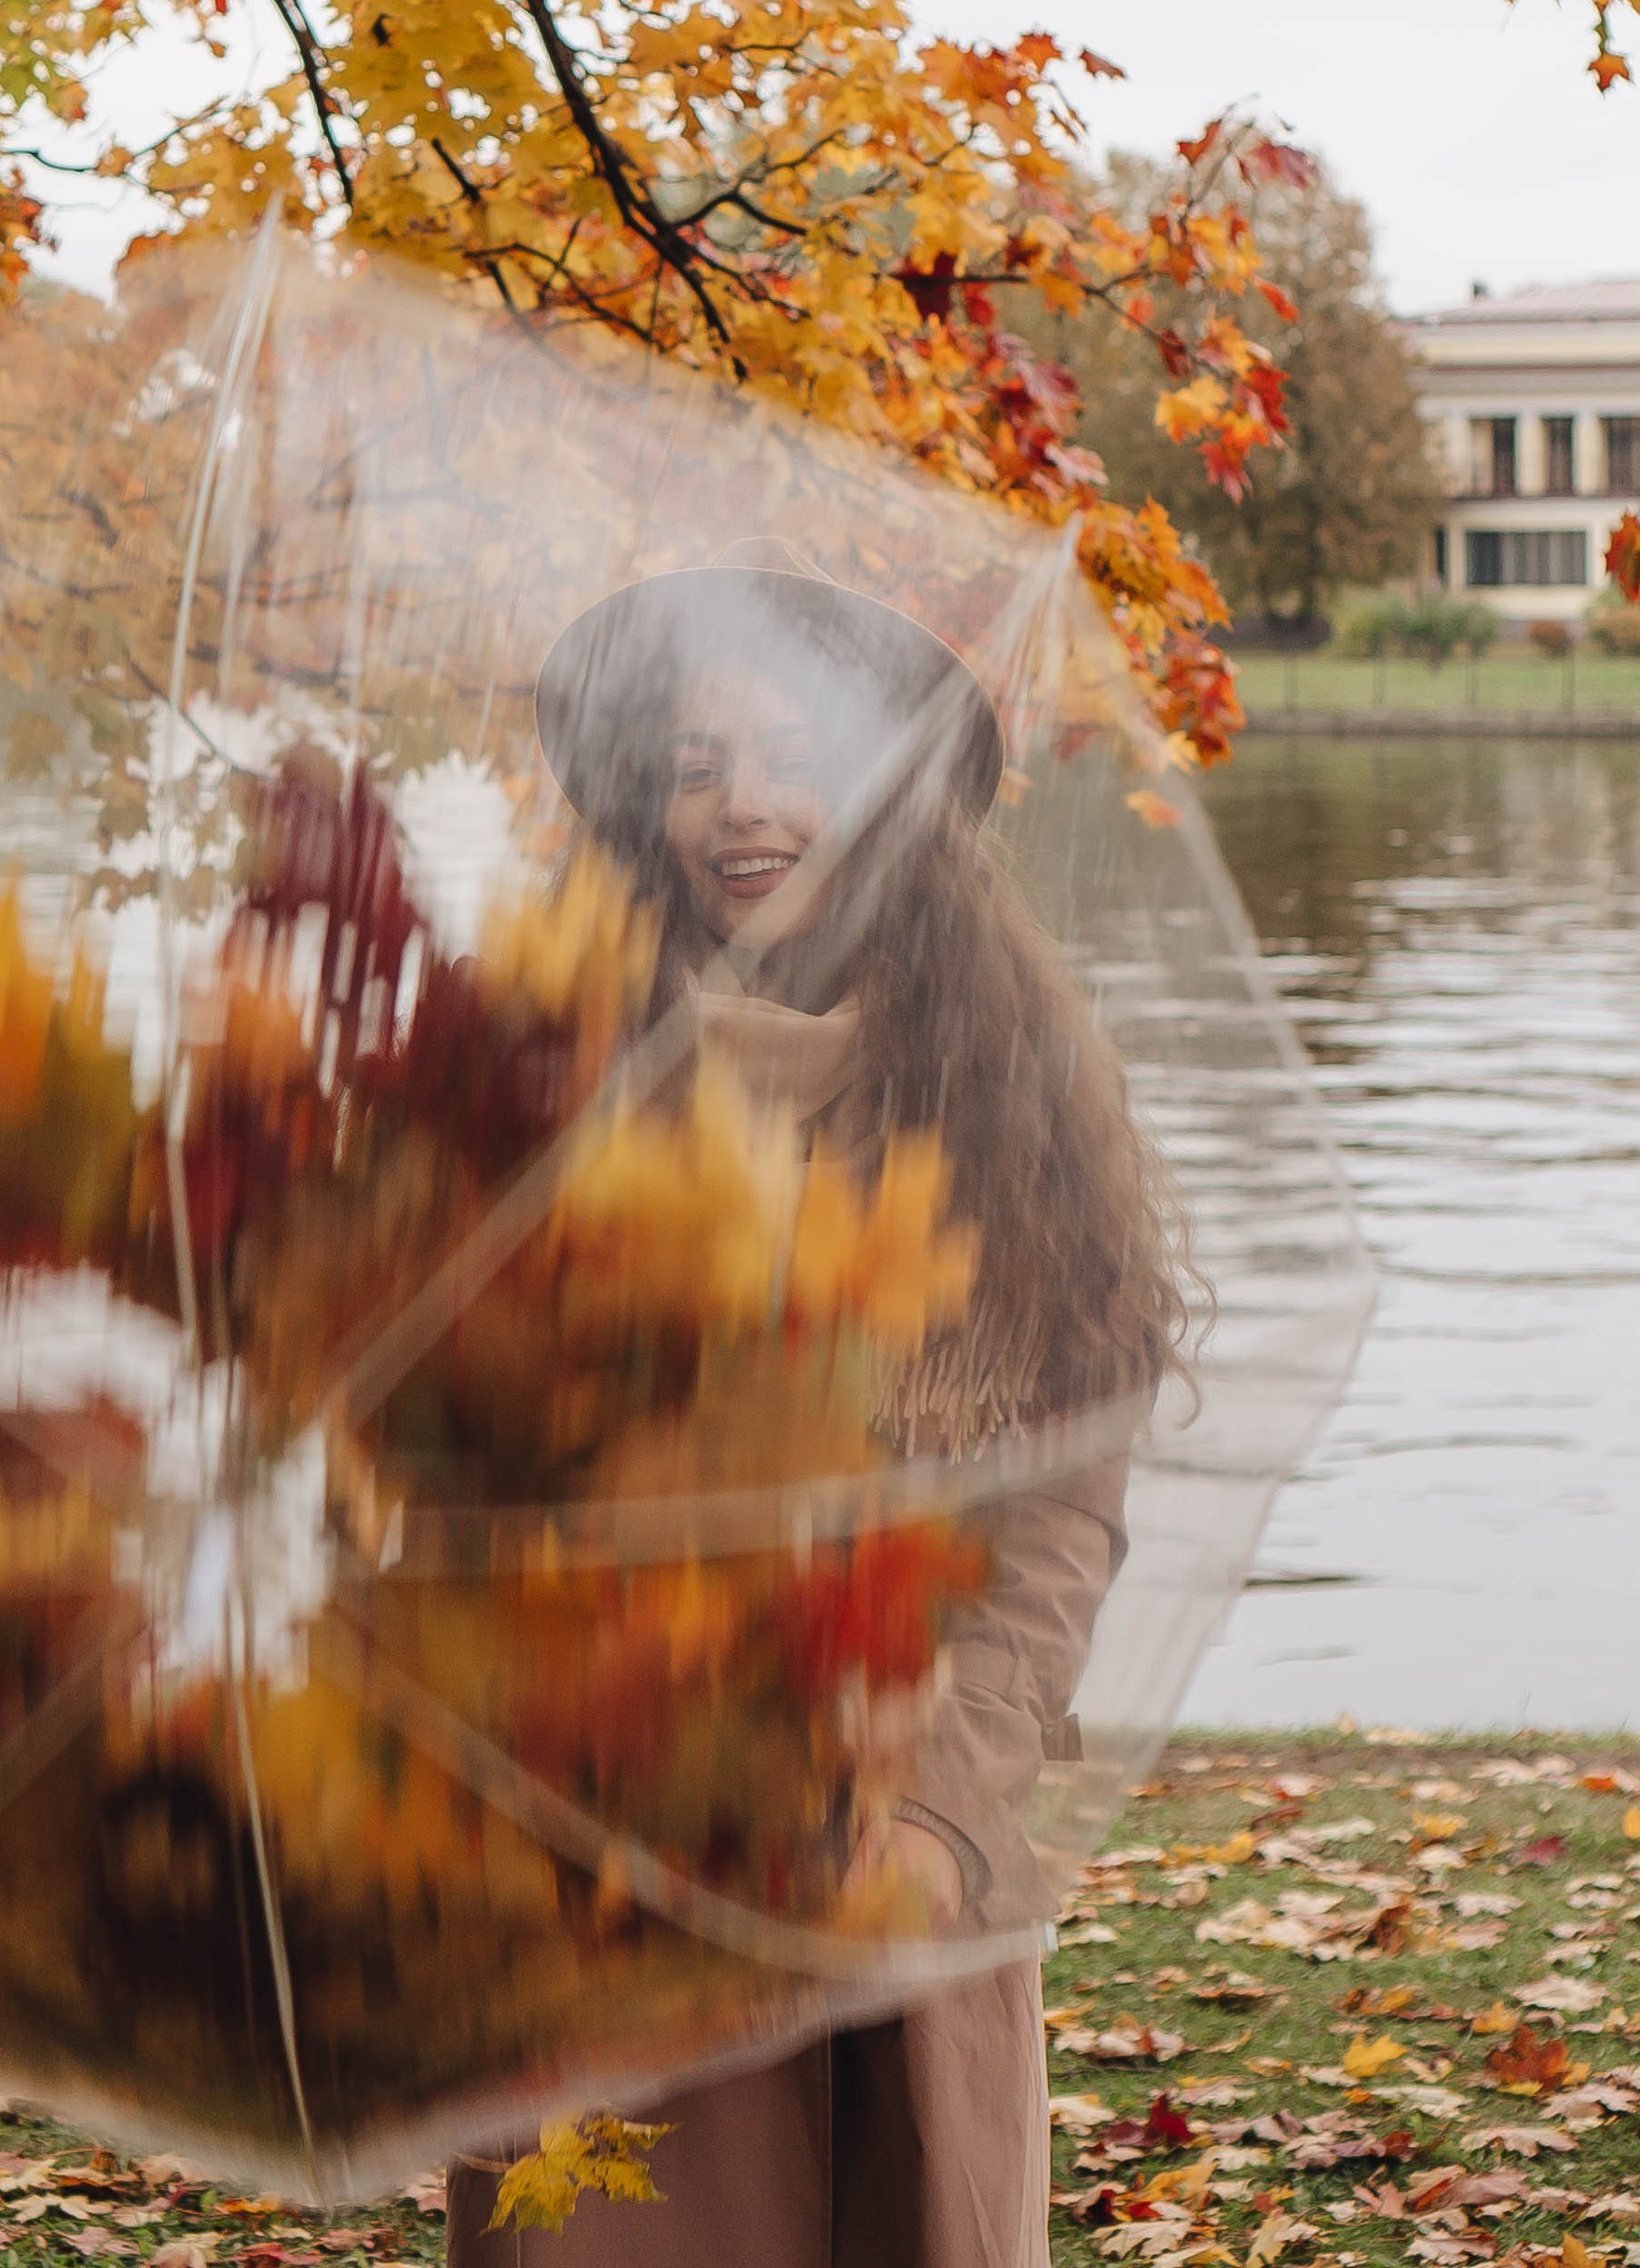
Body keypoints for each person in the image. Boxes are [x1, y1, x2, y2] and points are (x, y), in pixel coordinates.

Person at [446, 545, 1191, 2268]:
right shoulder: (540, 1078)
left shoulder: (1011, 1106)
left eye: (788, 755)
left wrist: (934, 1814)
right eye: (696, 766)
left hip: (902, 1863)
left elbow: (1059, 1523)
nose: (742, 809)